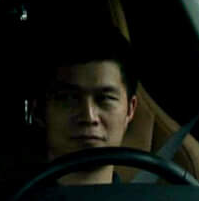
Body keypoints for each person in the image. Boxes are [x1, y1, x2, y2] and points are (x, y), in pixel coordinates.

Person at [34, 34, 142, 185]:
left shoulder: (156, 199)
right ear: (40, 111)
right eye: (69, 98)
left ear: (130, 110)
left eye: (105, 98)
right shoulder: (4, 200)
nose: (89, 117)